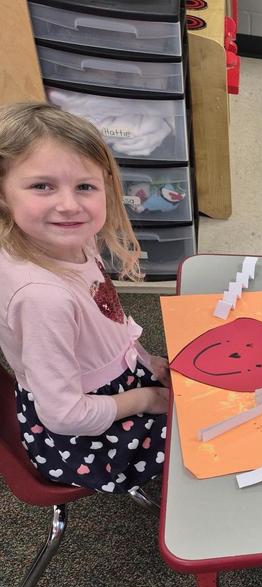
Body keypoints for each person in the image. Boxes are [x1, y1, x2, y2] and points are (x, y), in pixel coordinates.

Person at [0, 102, 169, 498]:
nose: (69, 205)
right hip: (81, 438)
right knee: (201, 433)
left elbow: (108, 318)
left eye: (85, 186)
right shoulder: (43, 300)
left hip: (111, 385)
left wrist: (144, 360)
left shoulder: (69, 239)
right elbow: (64, 414)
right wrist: (144, 398)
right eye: (42, 186)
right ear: (4, 193)